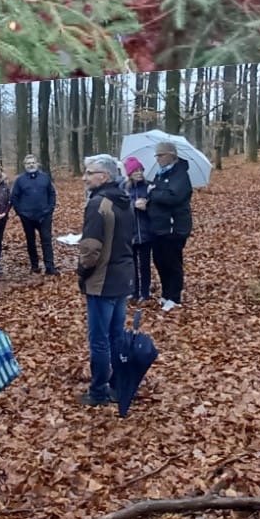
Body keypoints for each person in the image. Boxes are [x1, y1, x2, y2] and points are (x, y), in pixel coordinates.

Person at [77, 155, 135, 409]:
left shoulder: (98, 204)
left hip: (103, 281)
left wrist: (82, 272)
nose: (85, 177)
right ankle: (117, 385)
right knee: (116, 337)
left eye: (90, 173)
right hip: (122, 278)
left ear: (105, 176)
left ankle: (99, 391)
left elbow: (91, 248)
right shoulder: (125, 200)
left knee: (100, 340)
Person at [144, 140, 193, 313]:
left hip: (174, 227)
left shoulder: (180, 174)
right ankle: (166, 293)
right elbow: (157, 195)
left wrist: (152, 193)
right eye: (156, 155)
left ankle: (175, 297)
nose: (158, 159)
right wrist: (147, 201)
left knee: (172, 262)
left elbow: (173, 197)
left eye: (161, 155)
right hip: (158, 226)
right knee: (160, 261)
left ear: (171, 155)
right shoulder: (160, 174)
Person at [11, 153, 57, 275]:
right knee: (31, 241)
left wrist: (50, 209)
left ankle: (49, 267)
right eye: (28, 163)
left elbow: (52, 193)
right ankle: (34, 265)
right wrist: (20, 212)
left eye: (33, 163)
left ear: (37, 164)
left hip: (44, 215)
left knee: (46, 241)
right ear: (24, 165)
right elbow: (14, 197)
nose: (31, 165)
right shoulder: (20, 180)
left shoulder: (45, 177)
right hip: (27, 217)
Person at [122, 158, 153, 305]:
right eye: (136, 171)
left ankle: (145, 293)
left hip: (146, 232)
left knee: (145, 265)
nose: (139, 173)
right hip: (130, 233)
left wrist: (148, 206)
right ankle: (133, 291)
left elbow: (156, 205)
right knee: (131, 264)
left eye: (141, 170)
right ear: (130, 173)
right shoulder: (124, 188)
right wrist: (132, 205)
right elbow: (120, 206)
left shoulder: (148, 187)